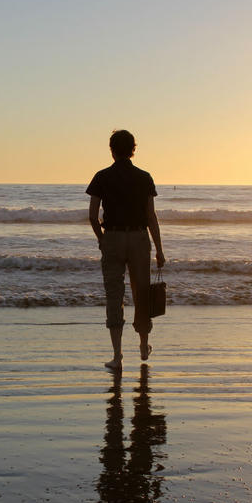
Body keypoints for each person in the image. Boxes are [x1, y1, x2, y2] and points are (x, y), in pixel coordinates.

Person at [86, 130, 166, 370]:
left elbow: (92, 216)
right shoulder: (144, 177)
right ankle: (143, 346)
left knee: (114, 295)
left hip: (113, 237)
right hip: (139, 237)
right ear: (133, 149)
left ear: (112, 150)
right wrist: (159, 250)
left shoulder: (102, 176)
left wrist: (102, 239)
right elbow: (151, 216)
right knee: (141, 293)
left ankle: (118, 356)